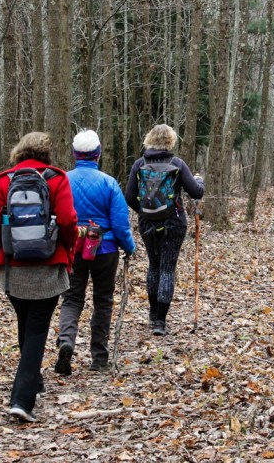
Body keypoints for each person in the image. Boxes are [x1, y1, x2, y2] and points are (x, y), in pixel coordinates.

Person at [0, 132, 78, 422]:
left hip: (12, 268)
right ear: (47, 153)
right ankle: (22, 400)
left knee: (26, 322)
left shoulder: (4, 181)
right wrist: (68, 249)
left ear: (19, 151)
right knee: (36, 328)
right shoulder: (57, 178)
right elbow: (68, 221)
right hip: (47, 266)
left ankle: (34, 381)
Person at [55, 129, 137, 375]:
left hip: (73, 248)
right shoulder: (108, 183)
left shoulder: (62, 181)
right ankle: (99, 357)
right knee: (103, 301)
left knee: (72, 298)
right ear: (98, 154)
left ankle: (66, 341)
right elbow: (120, 223)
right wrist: (129, 246)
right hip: (105, 249)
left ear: (74, 154)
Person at [125, 124, 204, 336]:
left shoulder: (139, 164)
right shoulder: (177, 164)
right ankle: (160, 321)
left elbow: (129, 197)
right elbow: (196, 192)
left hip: (147, 224)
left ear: (149, 139)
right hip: (174, 223)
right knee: (167, 268)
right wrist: (199, 180)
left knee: (154, 266)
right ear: (170, 141)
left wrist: (145, 212)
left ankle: (153, 315)